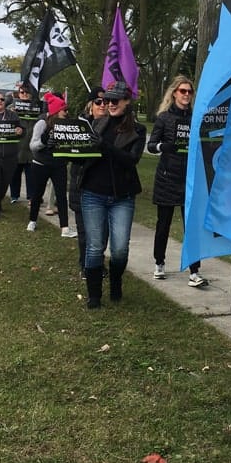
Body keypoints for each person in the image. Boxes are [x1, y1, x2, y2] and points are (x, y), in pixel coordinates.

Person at [77, 82, 146, 309]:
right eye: (107, 100)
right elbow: (80, 155)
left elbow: (131, 160)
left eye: (115, 101)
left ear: (127, 102)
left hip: (122, 196)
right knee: (95, 246)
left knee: (119, 249)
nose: (110, 104)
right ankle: (94, 295)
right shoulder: (96, 124)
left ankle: (116, 281)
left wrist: (105, 147)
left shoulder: (137, 130)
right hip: (93, 193)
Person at [147, 75, 207, 287]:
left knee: (191, 226)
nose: (186, 95)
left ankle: (194, 270)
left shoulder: (196, 118)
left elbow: (204, 143)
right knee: (163, 224)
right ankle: (159, 263)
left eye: (189, 92)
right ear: (174, 93)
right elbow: (151, 145)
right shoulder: (164, 118)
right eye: (183, 91)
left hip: (189, 179)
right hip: (167, 178)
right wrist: (164, 146)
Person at [69, 86, 108, 277]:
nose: (102, 105)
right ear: (90, 105)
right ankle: (86, 265)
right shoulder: (80, 125)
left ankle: (98, 262)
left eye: (106, 102)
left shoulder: (115, 127)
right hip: (81, 183)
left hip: (105, 186)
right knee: (84, 230)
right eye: (98, 102)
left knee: (103, 231)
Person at [27, 94, 77, 238]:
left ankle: (65, 228)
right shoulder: (42, 123)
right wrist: (44, 142)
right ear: (56, 111)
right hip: (41, 164)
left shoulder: (66, 124)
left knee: (61, 196)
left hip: (59, 164)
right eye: (64, 110)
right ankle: (32, 220)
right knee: (37, 194)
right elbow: (33, 145)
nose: (67, 113)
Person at [7, 82, 36, 205]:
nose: (24, 94)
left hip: (31, 146)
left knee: (31, 175)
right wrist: (11, 113)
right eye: (22, 92)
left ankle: (31, 196)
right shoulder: (11, 107)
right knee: (15, 173)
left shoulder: (37, 107)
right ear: (18, 94)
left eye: (27, 92)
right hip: (17, 146)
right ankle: (14, 195)